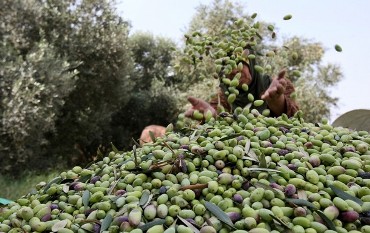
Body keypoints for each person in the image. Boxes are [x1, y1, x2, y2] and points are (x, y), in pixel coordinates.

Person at [140, 49, 299, 144]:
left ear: (249, 64)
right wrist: (212, 115)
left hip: (277, 145)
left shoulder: (277, 85)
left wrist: (278, 102)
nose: (235, 72)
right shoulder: (223, 98)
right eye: (229, 71)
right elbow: (215, 127)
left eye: (239, 65)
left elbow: (297, 123)